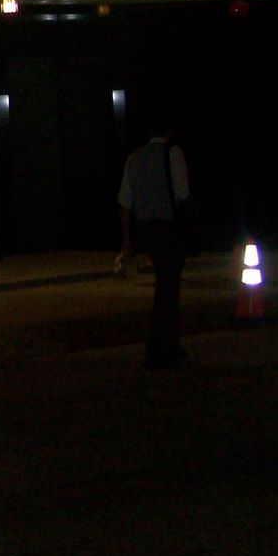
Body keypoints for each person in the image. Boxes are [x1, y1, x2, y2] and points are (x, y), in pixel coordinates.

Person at [117, 117, 191, 368]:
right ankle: (160, 345)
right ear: (170, 130)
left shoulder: (135, 158)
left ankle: (169, 342)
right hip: (168, 225)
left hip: (146, 226)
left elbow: (125, 202)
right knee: (168, 286)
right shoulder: (173, 154)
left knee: (166, 282)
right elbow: (182, 193)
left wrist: (127, 242)